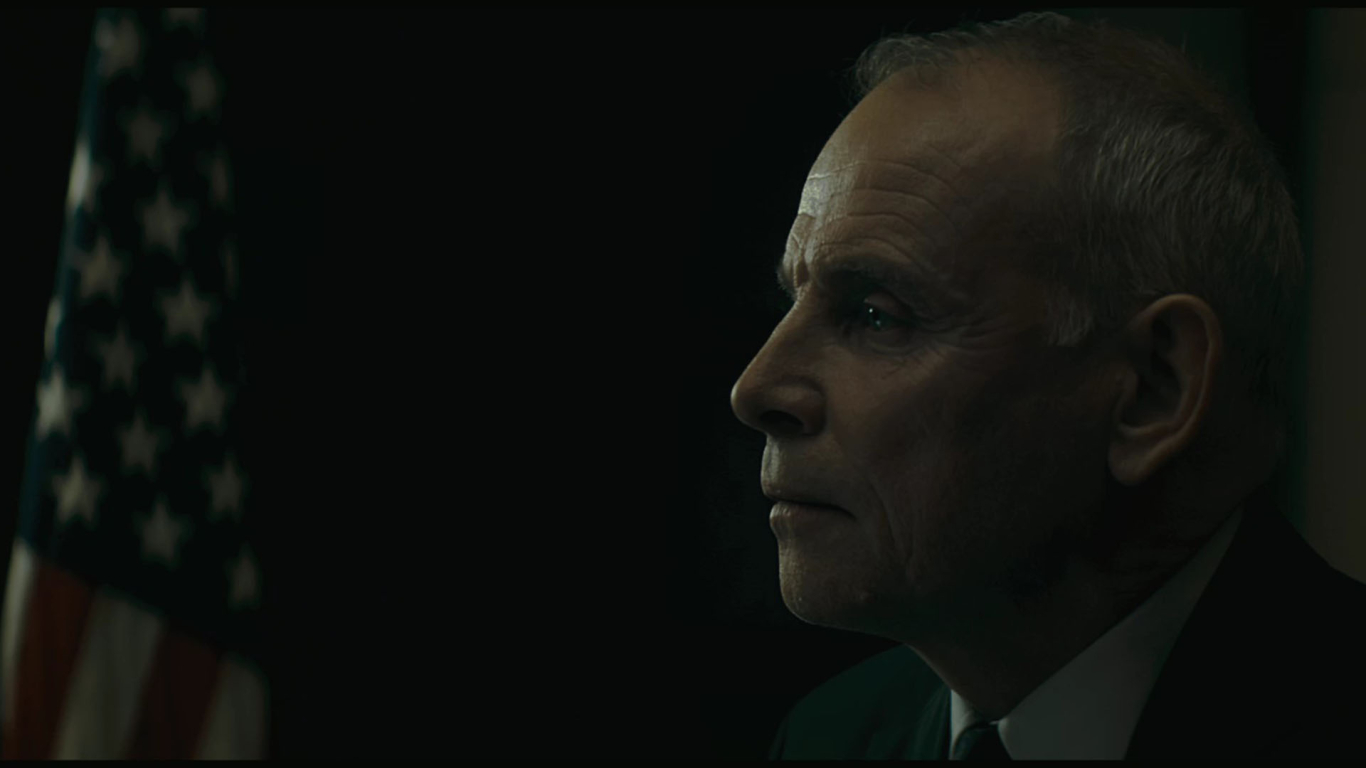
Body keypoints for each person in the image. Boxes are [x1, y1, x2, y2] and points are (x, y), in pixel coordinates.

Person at [729, 11, 1366, 760]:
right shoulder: (828, 739)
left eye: (876, 315)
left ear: (1153, 388)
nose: (757, 389)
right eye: (793, 300)